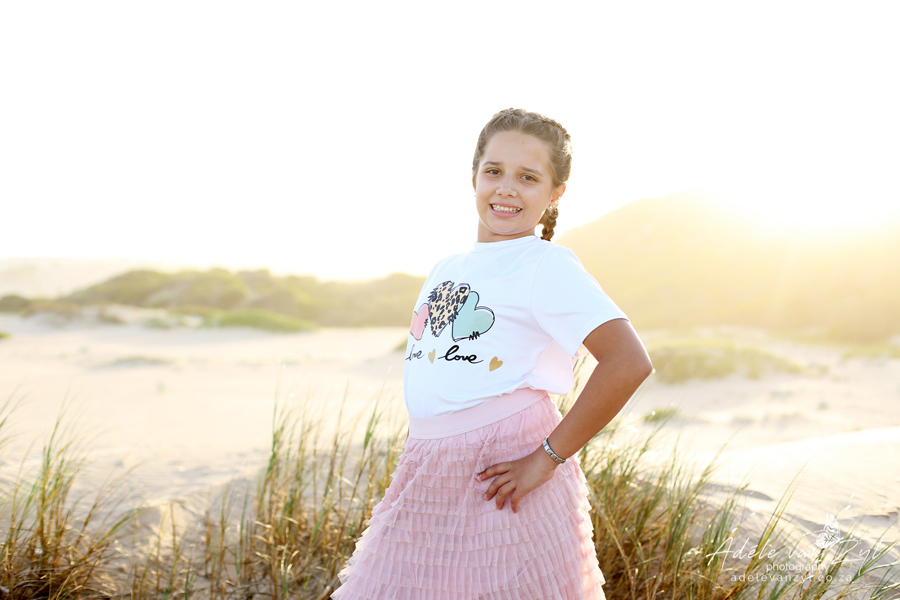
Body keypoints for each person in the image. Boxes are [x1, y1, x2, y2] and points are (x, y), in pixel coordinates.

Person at [332, 108, 653, 599]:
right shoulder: (446, 267)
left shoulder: (546, 265)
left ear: (556, 193)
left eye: (528, 177)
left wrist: (546, 458)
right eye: (494, 171)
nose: (506, 188)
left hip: (503, 473)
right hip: (431, 465)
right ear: (474, 176)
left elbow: (628, 362)